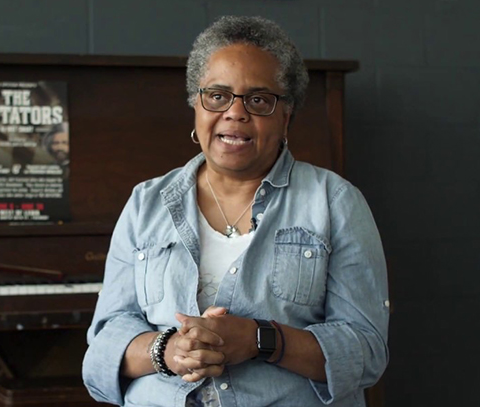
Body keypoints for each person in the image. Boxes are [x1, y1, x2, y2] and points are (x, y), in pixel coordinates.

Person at [82, 15, 389, 407]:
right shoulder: (146, 203)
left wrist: (260, 340)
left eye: (258, 100)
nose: (235, 113)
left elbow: (365, 351)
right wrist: (169, 350)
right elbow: (105, 343)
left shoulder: (335, 203)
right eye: (218, 95)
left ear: (287, 114)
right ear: (197, 104)